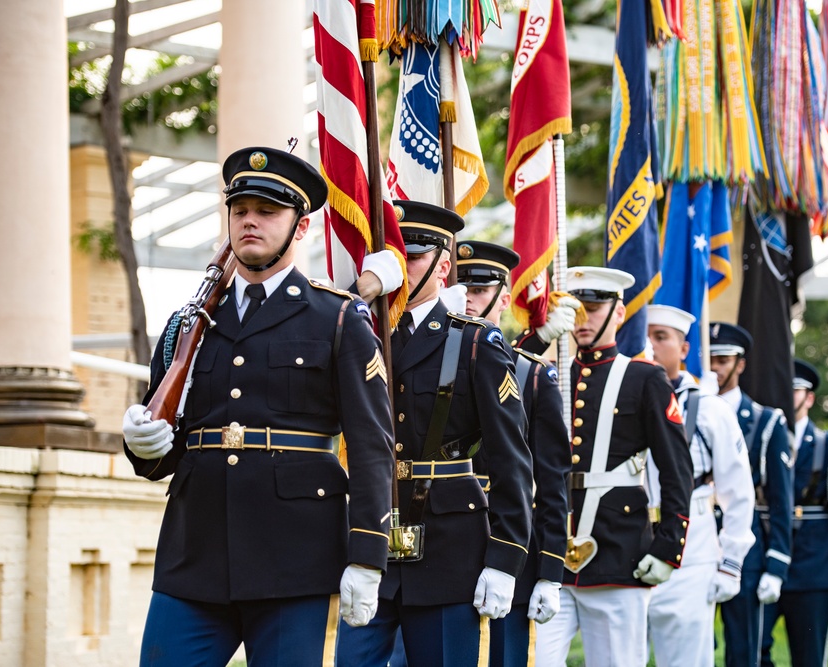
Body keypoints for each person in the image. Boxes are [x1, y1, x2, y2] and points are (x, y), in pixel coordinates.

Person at [121, 146, 396, 666]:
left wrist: (367, 556)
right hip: (194, 555)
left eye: (267, 212)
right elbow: (162, 455)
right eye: (240, 210)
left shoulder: (336, 319)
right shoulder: (190, 322)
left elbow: (371, 446)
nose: (250, 221)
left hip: (293, 558)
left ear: (302, 228)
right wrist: (143, 444)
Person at [335, 201, 534, 667]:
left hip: (449, 545)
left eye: (415, 254)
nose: (400, 265)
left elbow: (510, 460)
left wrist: (505, 559)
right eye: (392, 254)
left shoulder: (475, 343)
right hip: (372, 541)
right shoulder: (361, 332)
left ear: (444, 266)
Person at [533, 267, 694, 667]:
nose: (583, 318)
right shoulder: (550, 376)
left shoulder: (645, 379)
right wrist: (536, 342)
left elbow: (676, 469)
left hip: (617, 555)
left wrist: (669, 545)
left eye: (593, 307)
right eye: (575, 308)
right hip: (548, 555)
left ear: (619, 313)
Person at [456, 240, 572, 667]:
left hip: (509, 546)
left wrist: (550, 572)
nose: (468, 296)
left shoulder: (531, 375)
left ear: (504, 299)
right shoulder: (423, 361)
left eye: (480, 289)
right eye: (460, 285)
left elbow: (551, 481)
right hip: (440, 547)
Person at [643, 305, 755, 667]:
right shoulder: (620, 401)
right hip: (628, 543)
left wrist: (731, 561)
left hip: (691, 553)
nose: (651, 347)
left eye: (661, 338)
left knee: (685, 660)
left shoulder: (709, 409)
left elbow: (738, 490)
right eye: (645, 337)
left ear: (685, 349)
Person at [759, 359, 828, 667]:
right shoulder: (759, 441)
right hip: (765, 564)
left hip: (813, 572)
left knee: (809, 657)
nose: (785, 397)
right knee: (752, 651)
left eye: (794, 390)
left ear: (809, 398)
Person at [709, 322, 793, 667]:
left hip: (748, 547)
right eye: (710, 359)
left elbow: (780, 499)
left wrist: (777, 563)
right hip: (697, 539)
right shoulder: (689, 412)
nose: (715, 367)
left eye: (724, 360)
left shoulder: (766, 422)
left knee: (745, 649)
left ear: (740, 364)